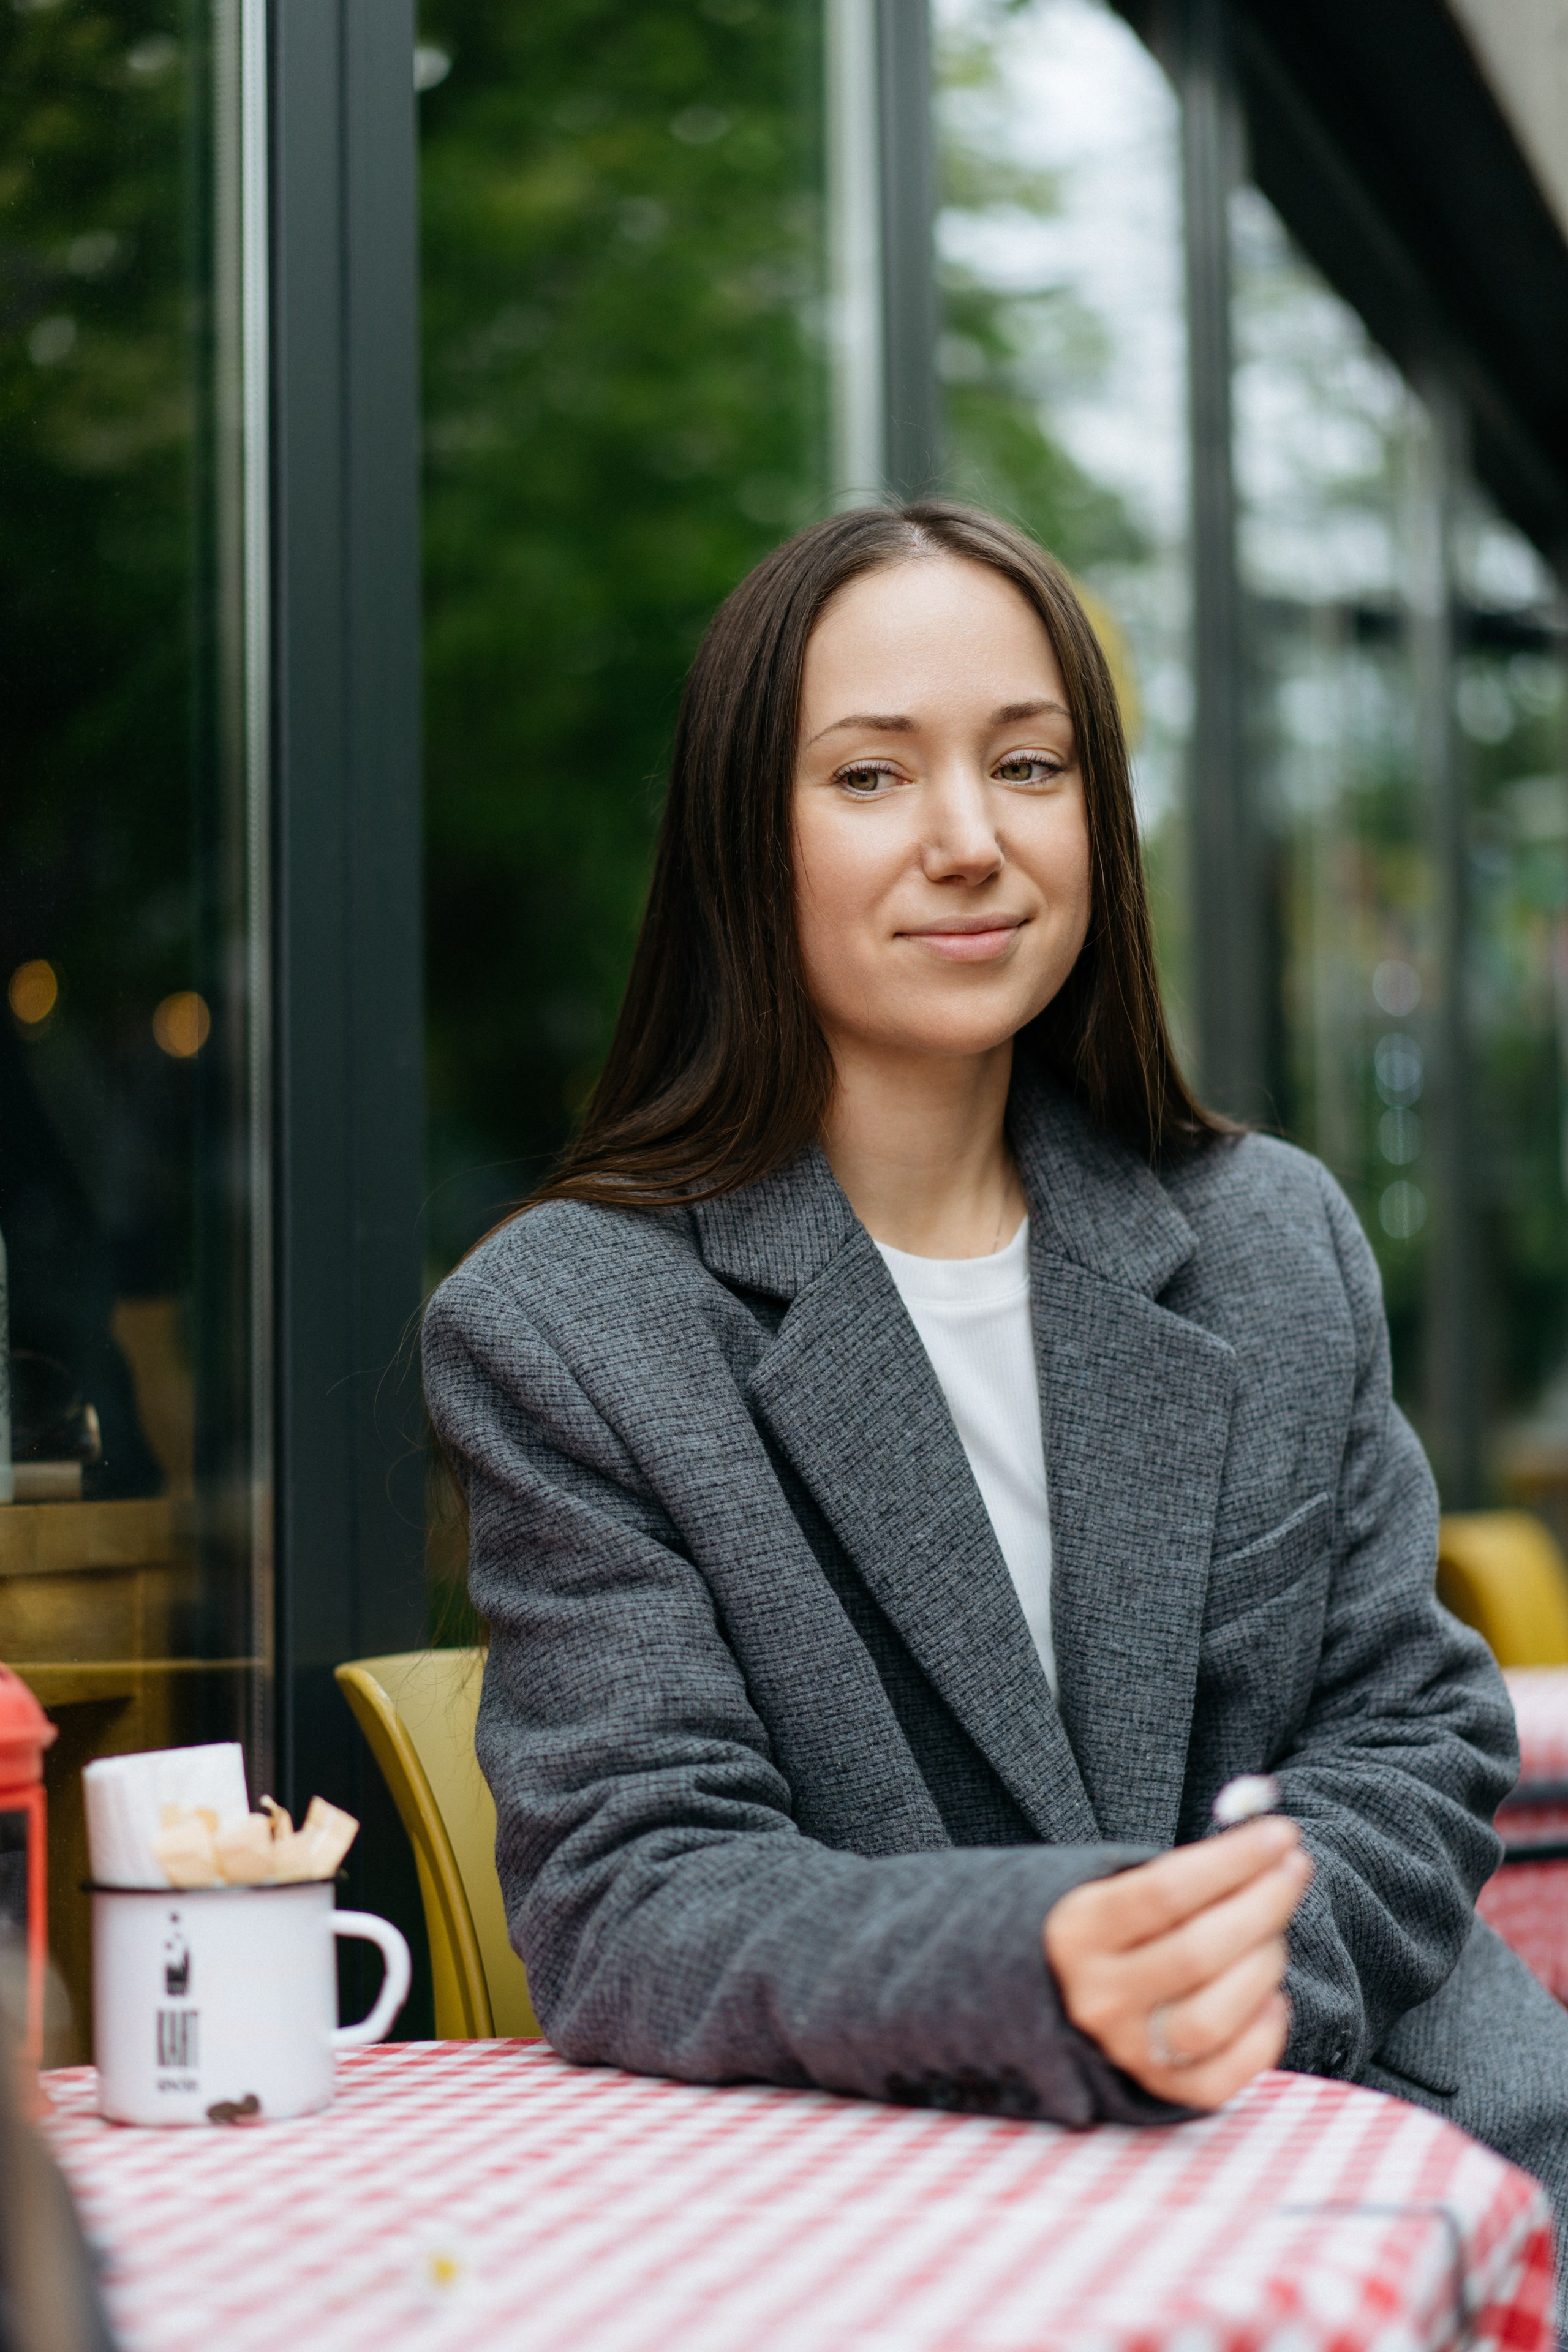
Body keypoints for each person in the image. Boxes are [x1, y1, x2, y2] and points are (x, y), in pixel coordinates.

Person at [424, 501, 1568, 2207]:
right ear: (748, 837)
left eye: (1029, 768)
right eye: (872, 777)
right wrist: (1048, 1971)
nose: (969, 839)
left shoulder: (1270, 1238)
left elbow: (1409, 1722)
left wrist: (1231, 1981)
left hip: (1394, 2121)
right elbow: (637, 1894)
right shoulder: (572, 1332)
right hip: (914, 2182)